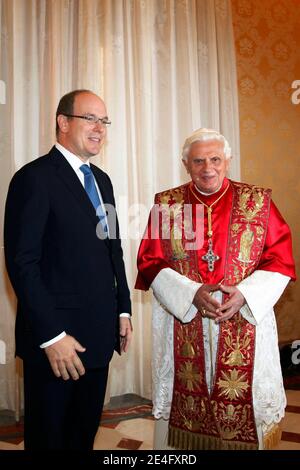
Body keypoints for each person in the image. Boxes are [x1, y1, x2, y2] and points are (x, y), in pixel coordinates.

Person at [135, 128, 296, 450]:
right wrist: (190, 292)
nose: (207, 168)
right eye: (198, 161)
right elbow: (150, 261)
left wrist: (245, 295)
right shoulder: (167, 205)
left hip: (243, 318)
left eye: (215, 159)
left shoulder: (258, 201)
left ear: (228, 160)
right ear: (185, 164)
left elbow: (280, 259)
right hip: (186, 321)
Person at [4, 89, 132, 450]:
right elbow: (22, 263)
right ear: (63, 122)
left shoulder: (102, 180)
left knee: (82, 436)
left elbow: (113, 249)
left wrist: (123, 308)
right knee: (50, 440)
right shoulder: (34, 178)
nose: (99, 128)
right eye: (90, 118)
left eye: (103, 121)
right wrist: (51, 337)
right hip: (56, 347)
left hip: (100, 335)